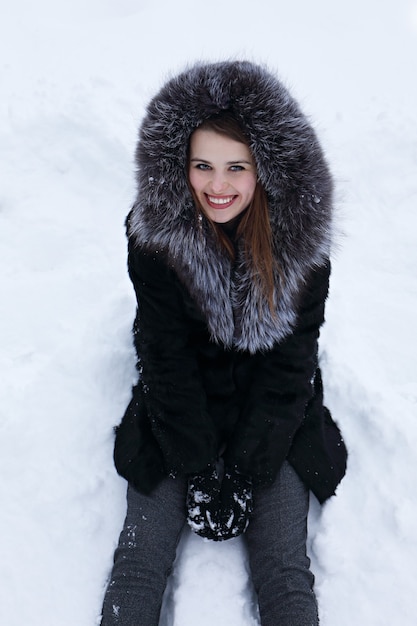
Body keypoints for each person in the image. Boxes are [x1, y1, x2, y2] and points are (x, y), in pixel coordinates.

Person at [100, 60, 347, 626]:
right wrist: (197, 462)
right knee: (139, 560)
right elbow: (164, 355)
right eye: (202, 166)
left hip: (273, 417)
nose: (218, 186)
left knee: (285, 568)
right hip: (178, 408)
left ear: (266, 171)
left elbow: (290, 370)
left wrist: (245, 470)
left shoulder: (301, 246)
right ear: (178, 167)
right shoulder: (157, 236)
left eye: (237, 167)